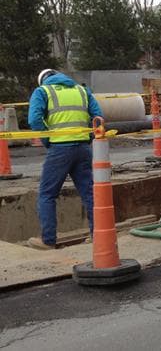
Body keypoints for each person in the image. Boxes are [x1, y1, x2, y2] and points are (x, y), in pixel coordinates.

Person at [27, 69, 103, 250]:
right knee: (90, 193)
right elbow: (98, 118)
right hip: (83, 149)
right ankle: (99, 236)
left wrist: (48, 141)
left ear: (43, 80)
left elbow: (34, 120)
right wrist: (88, 139)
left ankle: (48, 240)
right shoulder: (82, 90)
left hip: (59, 149)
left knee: (47, 194)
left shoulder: (43, 92)